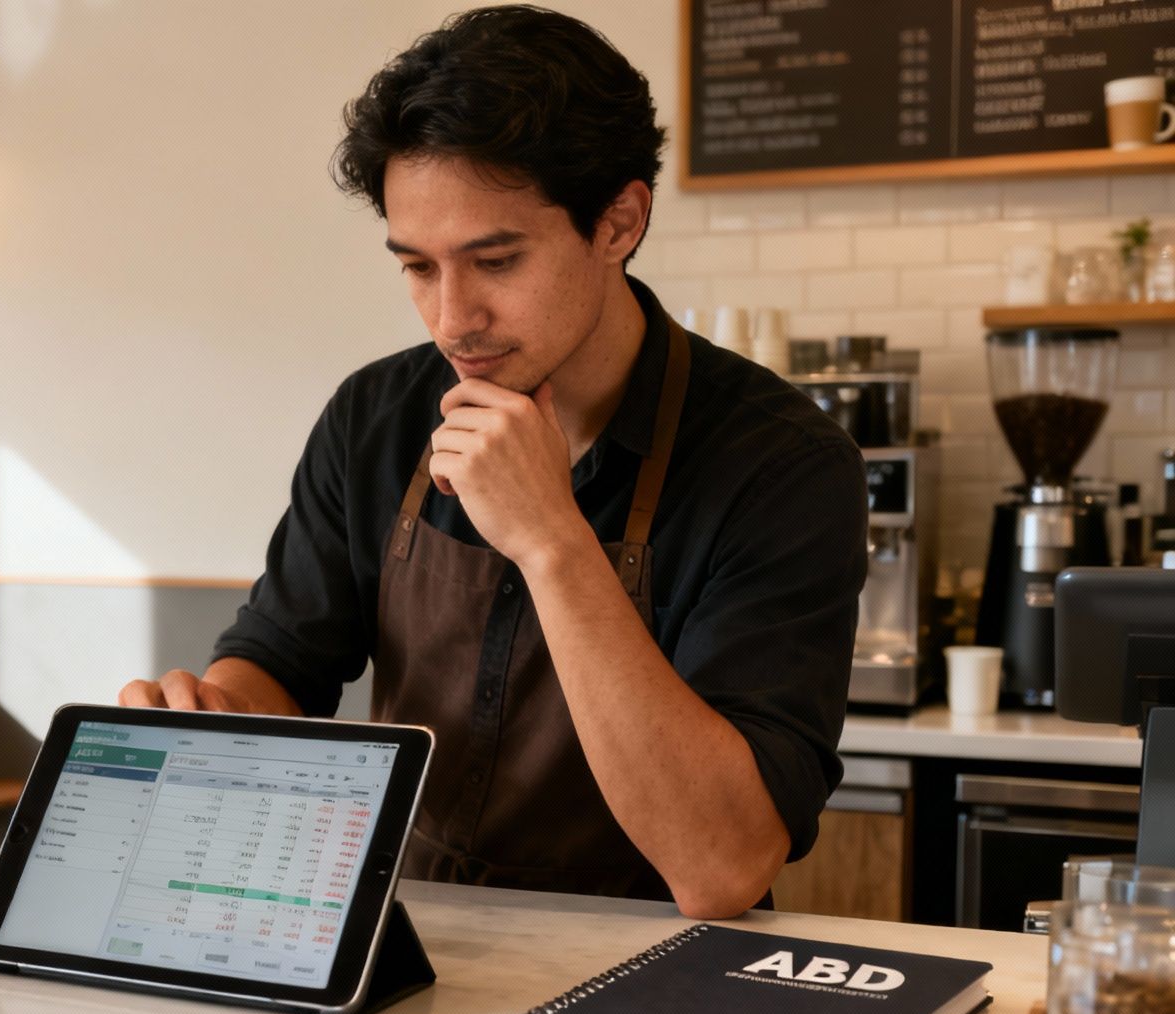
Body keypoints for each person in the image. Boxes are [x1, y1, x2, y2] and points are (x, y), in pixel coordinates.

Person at [118, 6, 866, 920]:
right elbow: (285, 658)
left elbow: (723, 866)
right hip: (409, 946)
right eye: (418, 267)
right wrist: (215, 714)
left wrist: (551, 539)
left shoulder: (780, 464)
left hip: (656, 976)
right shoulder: (376, 414)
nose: (451, 318)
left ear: (620, 222)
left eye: (496, 260)